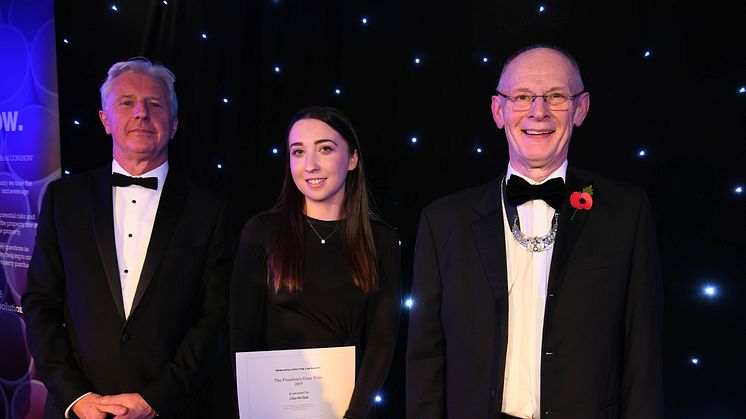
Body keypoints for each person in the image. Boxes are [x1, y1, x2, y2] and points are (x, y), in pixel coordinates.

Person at [405, 45, 663, 418]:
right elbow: (425, 358)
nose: (537, 111)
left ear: (581, 108)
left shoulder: (627, 212)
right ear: (499, 111)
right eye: (522, 96)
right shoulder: (442, 221)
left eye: (556, 96)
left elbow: (643, 354)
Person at [22, 58, 235, 419]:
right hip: (79, 410)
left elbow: (215, 318)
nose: (141, 113)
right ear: (105, 120)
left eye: (155, 104)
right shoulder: (63, 199)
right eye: (126, 102)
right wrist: (75, 397)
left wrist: (158, 398)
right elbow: (40, 302)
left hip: (172, 409)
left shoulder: (210, 210)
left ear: (174, 124)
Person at [230, 106, 401, 419]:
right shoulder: (261, 231)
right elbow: (242, 335)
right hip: (275, 409)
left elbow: (382, 340)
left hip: (349, 409)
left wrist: (354, 414)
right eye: (298, 152)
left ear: (352, 159)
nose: (309, 165)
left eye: (324, 149)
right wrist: (257, 407)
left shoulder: (381, 239)